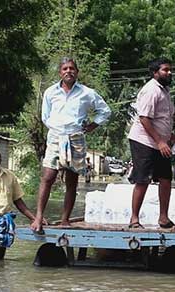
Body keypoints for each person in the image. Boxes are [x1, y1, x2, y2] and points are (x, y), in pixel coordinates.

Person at [30, 58, 111, 233]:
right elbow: (45, 117)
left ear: (77, 72)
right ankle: (38, 217)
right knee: (48, 177)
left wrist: (92, 125)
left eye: (72, 68)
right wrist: (58, 129)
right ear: (60, 72)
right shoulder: (50, 92)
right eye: (65, 68)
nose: (69, 71)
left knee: (72, 181)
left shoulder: (87, 93)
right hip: (56, 137)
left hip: (76, 137)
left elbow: (105, 110)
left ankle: (65, 219)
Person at [128, 58, 175, 229]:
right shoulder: (151, 90)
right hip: (144, 140)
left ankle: (163, 218)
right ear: (155, 73)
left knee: (166, 178)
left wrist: (171, 136)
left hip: (161, 142)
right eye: (165, 70)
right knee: (143, 179)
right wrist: (159, 141)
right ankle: (134, 219)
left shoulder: (165, 91)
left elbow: (162, 118)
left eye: (170, 70)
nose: (169, 72)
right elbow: (144, 118)